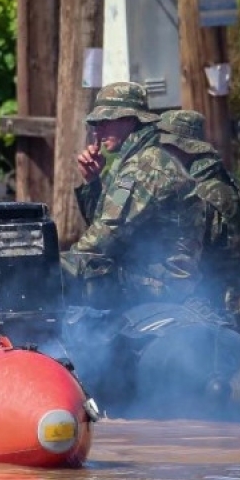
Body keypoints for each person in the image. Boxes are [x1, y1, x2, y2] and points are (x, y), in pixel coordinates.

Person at [62, 82, 205, 311]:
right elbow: (103, 226)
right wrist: (92, 182)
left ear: (130, 120)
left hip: (164, 285)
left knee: (65, 278)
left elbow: (105, 237)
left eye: (105, 122)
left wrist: (52, 268)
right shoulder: (135, 160)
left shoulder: (147, 165)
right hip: (145, 276)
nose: (98, 132)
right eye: (96, 124)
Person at [157, 109, 240, 350]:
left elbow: (185, 263)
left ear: (181, 148)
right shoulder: (228, 182)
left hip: (219, 317)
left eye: (166, 148)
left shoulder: (200, 193)